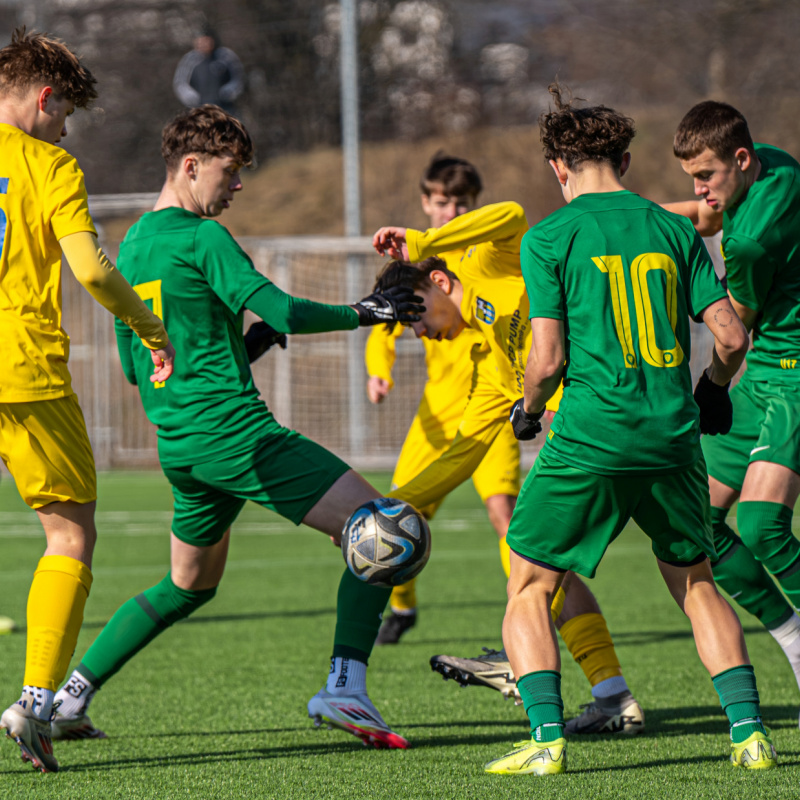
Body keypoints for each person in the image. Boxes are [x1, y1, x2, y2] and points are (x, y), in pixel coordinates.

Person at [50, 104, 423, 751]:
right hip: (235, 436)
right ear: (191, 167)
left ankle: (67, 698)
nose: (239, 185)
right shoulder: (203, 238)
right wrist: (367, 311)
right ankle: (344, 686)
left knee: (187, 586)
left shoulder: (132, 244)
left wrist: (242, 347)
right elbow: (279, 306)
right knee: (385, 526)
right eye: (231, 171)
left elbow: (143, 373)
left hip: (182, 447)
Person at [482, 85, 774, 777]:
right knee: (696, 583)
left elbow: (546, 360)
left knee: (528, 586)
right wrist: (709, 394)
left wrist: (526, 413)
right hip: (672, 436)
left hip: (591, 435)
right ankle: (750, 735)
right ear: (628, 158)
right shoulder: (675, 229)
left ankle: (547, 741)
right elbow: (730, 334)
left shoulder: (550, 237)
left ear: (559, 166)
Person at [371, 203, 644, 733]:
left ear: (438, 280)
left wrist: (425, 238)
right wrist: (392, 504)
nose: (418, 333)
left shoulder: (486, 267)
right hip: (614, 437)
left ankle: (525, 673)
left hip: (601, 432)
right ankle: (616, 698)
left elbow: (512, 214)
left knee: (530, 570)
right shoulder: (493, 369)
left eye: (416, 316)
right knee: (694, 573)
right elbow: (463, 450)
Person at [0, 29, 175, 773]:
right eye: (64, 111)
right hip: (22, 368)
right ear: (43, 99)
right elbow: (92, 271)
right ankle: (37, 702)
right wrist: (149, 327)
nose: (65, 128)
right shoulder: (49, 163)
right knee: (68, 536)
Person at [664, 102, 800, 710]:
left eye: (708, 175)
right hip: (767, 371)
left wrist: (711, 387)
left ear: (740, 159)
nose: (699, 189)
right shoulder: (778, 165)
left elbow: (733, 336)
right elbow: (702, 214)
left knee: (764, 527)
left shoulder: (750, 241)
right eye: (692, 177)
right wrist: (628, 215)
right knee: (698, 522)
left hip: (794, 376)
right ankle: (794, 638)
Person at [366, 153, 525, 645]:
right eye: (441, 202)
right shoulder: (412, 269)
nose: (451, 212)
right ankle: (402, 606)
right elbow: (383, 329)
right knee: (396, 519)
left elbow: (514, 216)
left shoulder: (484, 254)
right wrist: (379, 372)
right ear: (425, 202)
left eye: (461, 203)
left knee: (507, 514)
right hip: (439, 415)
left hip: (500, 403)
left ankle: (525, 606)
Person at [173, 26, 244, 115]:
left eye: (207, 40)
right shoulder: (189, 60)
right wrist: (190, 97)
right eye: (200, 41)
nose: (203, 44)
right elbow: (180, 82)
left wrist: (229, 92)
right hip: (198, 109)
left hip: (225, 108)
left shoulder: (225, 56)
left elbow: (238, 77)